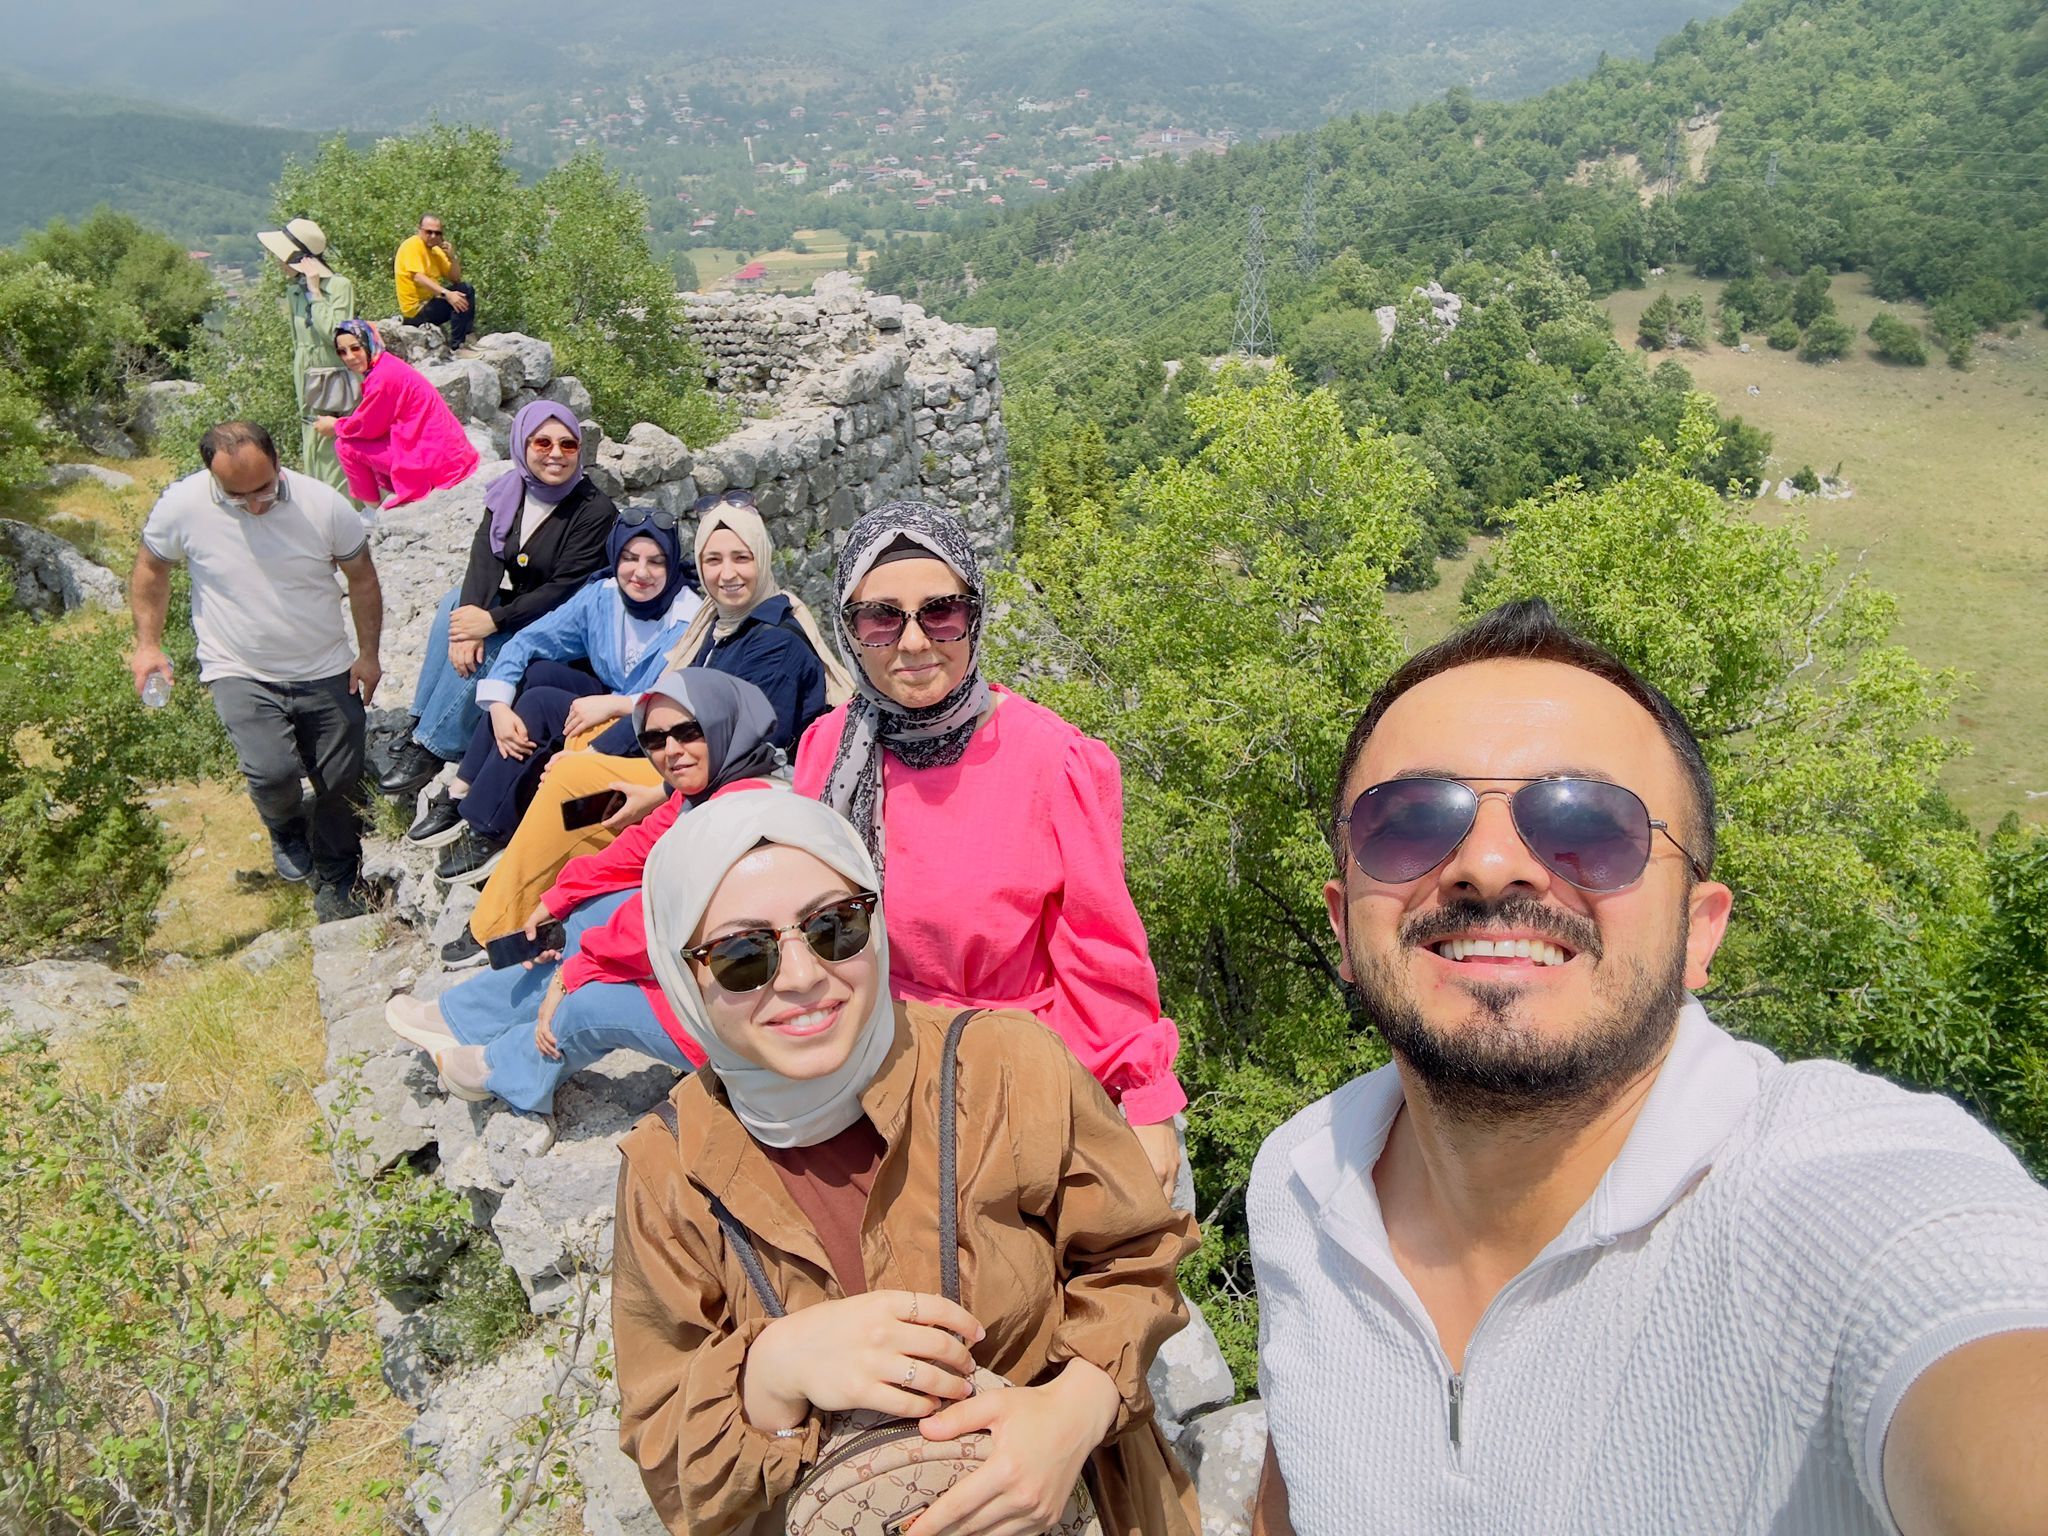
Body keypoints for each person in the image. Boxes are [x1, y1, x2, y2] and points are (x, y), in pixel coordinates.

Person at [1245, 599, 2048, 1536]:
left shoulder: (1836, 1198)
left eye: (1587, 822)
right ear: (1343, 923)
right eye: (1411, 822)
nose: (1493, 864)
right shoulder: (1301, 1180)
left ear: (1700, 932)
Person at [611, 790, 1201, 1535]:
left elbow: (1138, 1256)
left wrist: (1069, 1416)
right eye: (741, 955)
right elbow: (666, 1452)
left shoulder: (1003, 1067)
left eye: (835, 926)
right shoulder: (671, 1171)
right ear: (683, 973)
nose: (799, 976)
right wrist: (771, 1370)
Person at [792, 500, 1187, 1198]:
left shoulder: (1050, 760)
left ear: (975, 616)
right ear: (849, 631)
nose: (913, 642)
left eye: (941, 612)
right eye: (881, 618)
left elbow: (1099, 948)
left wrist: (1144, 1096)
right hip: (871, 1068)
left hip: (1020, 1078)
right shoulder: (829, 751)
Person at [444, 489, 852, 967]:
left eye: (741, 558)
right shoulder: (719, 627)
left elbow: (746, 759)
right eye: (713, 560)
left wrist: (655, 793)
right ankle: (533, 868)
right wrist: (594, 753)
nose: (727, 573)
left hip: (733, 797)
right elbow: (668, 706)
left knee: (575, 795)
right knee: (578, 757)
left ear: (761, 558)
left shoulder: (773, 646)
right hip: (692, 772)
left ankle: (495, 924)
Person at [383, 672, 783, 1112]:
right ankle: (464, 1018)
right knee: (586, 915)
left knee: (590, 1004)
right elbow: (638, 846)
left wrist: (573, 973)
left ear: (721, 723)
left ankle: (502, 1070)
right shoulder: (713, 789)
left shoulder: (741, 819)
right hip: (716, 980)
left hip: (749, 1023)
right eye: (654, 739)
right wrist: (557, 899)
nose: (671, 750)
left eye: (689, 732)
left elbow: (664, 929)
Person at [126, 420, 382, 923]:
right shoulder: (182, 507)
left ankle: (338, 876)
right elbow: (151, 569)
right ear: (211, 477)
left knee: (340, 781)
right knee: (271, 772)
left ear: (278, 460)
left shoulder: (323, 505)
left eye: (263, 488)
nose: (256, 504)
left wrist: (368, 655)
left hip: (325, 664)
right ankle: (285, 826)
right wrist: (148, 646)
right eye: (237, 496)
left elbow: (363, 579)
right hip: (238, 666)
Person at [409, 514, 702, 884]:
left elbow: (676, 695)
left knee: (540, 704)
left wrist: (618, 705)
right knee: (534, 674)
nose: (640, 572)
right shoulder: (603, 596)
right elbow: (528, 640)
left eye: (655, 561)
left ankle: (487, 828)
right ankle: (463, 787)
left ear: (672, 562)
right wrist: (498, 708)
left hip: (644, 725)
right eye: (630, 557)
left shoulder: (688, 618)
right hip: (611, 702)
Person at [378, 400, 618, 798]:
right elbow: (484, 556)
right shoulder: (510, 490)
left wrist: (491, 622)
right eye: (542, 443)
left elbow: (564, 589)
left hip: (568, 627)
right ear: (522, 445)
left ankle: (434, 745)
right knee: (455, 602)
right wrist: (468, 623)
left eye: (568, 445)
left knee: (498, 641)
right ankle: (420, 720)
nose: (555, 454)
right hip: (528, 607)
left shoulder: (593, 510)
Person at [314, 320, 479, 509]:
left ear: (369, 343)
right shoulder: (387, 365)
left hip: (435, 462)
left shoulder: (381, 378)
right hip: (448, 455)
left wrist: (335, 426)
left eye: (355, 348)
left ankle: (372, 513)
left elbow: (366, 426)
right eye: (342, 352)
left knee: (345, 446)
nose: (349, 357)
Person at [258, 217, 356, 497]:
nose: (277, 262)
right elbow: (298, 342)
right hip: (306, 378)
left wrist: (315, 293)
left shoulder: (339, 286)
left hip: (332, 378)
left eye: (281, 256)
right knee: (311, 442)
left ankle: (343, 512)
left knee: (332, 450)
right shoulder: (293, 291)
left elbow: (335, 335)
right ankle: (318, 508)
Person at [394, 213, 477, 351]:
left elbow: (455, 278)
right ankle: (459, 346)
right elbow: (418, 277)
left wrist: (452, 257)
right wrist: (447, 294)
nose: (433, 236)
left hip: (431, 304)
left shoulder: (436, 251)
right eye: (429, 232)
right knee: (462, 292)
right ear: (419, 230)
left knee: (465, 290)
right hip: (416, 311)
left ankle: (465, 339)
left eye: (437, 233)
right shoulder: (413, 245)